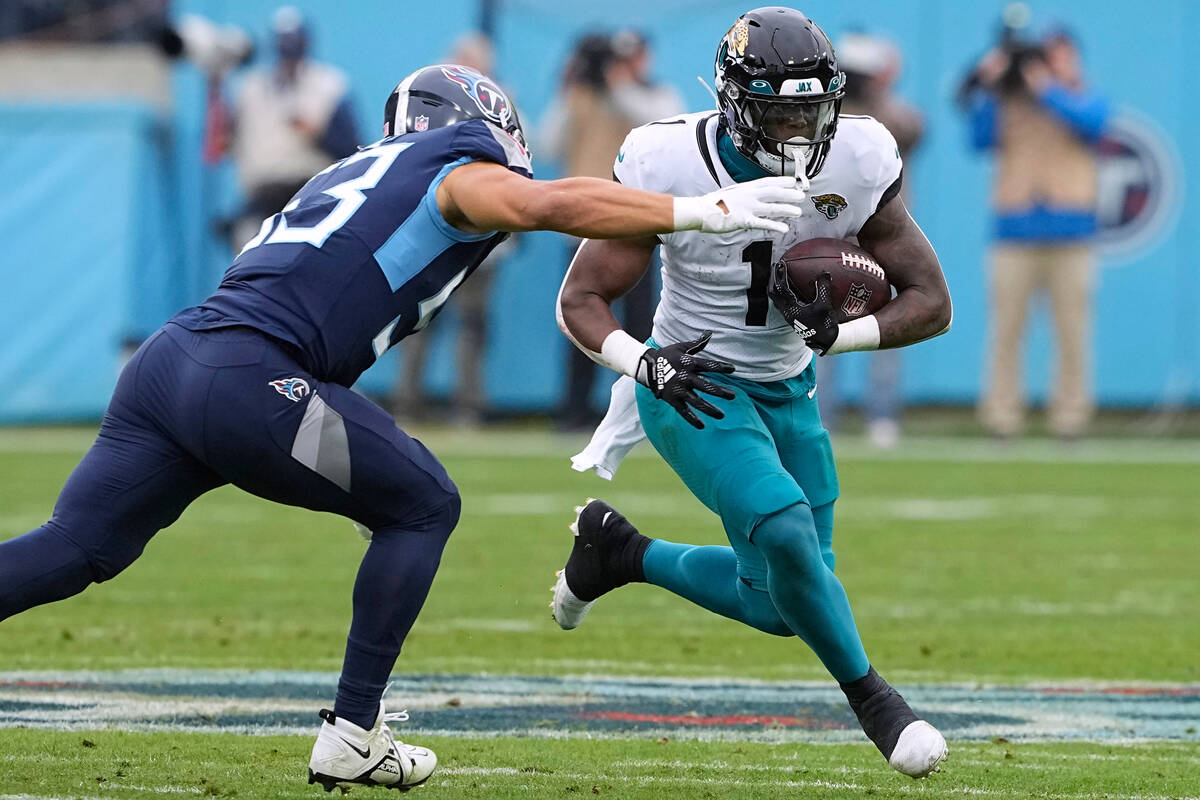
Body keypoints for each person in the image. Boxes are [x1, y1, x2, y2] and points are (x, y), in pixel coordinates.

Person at [0, 62, 809, 792]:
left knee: (76, 549)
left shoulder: (354, 166)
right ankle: (355, 731)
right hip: (248, 379)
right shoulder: (455, 172)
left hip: (171, 366)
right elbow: (543, 203)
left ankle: (357, 728)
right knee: (422, 503)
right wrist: (701, 209)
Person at [555, 8, 952, 779]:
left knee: (781, 603)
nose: (800, 129)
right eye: (778, 110)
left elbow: (930, 299)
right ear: (734, 102)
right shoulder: (664, 158)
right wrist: (645, 366)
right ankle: (877, 703)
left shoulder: (860, 155)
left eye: (812, 108)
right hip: (693, 383)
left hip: (788, 387)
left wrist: (841, 336)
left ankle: (621, 554)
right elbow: (581, 299)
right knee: (786, 529)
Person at [962, 24, 1109, 439]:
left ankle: (1071, 419)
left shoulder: (1084, 95)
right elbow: (978, 139)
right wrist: (991, 86)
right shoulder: (1010, 99)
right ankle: (1002, 418)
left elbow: (1096, 124)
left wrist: (1048, 88)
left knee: (1072, 332)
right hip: (1015, 230)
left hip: (1072, 232)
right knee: (1006, 330)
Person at [540, 31, 685, 430]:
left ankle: (643, 410)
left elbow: (663, 127)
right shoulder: (583, 97)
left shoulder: (655, 96)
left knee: (643, 325)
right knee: (578, 320)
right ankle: (574, 411)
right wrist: (570, 86)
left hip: (636, 225)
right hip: (584, 225)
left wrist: (616, 84)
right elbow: (549, 144)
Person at [391, 32, 507, 425]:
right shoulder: (431, 106)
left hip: (481, 233)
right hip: (431, 232)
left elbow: (519, 172)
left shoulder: (502, 106)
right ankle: (407, 402)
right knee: (417, 319)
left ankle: (468, 405)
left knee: (472, 326)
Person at [815, 32, 925, 448]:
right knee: (820, 326)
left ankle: (882, 415)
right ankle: (822, 414)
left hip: (883, 237)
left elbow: (911, 130)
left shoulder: (889, 116)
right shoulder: (828, 114)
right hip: (833, 234)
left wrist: (876, 93)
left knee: (889, 325)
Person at [228, 6, 360, 249]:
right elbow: (227, 142)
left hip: (311, 192)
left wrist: (318, 133)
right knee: (248, 248)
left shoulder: (330, 86)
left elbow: (353, 150)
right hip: (262, 195)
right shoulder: (250, 89)